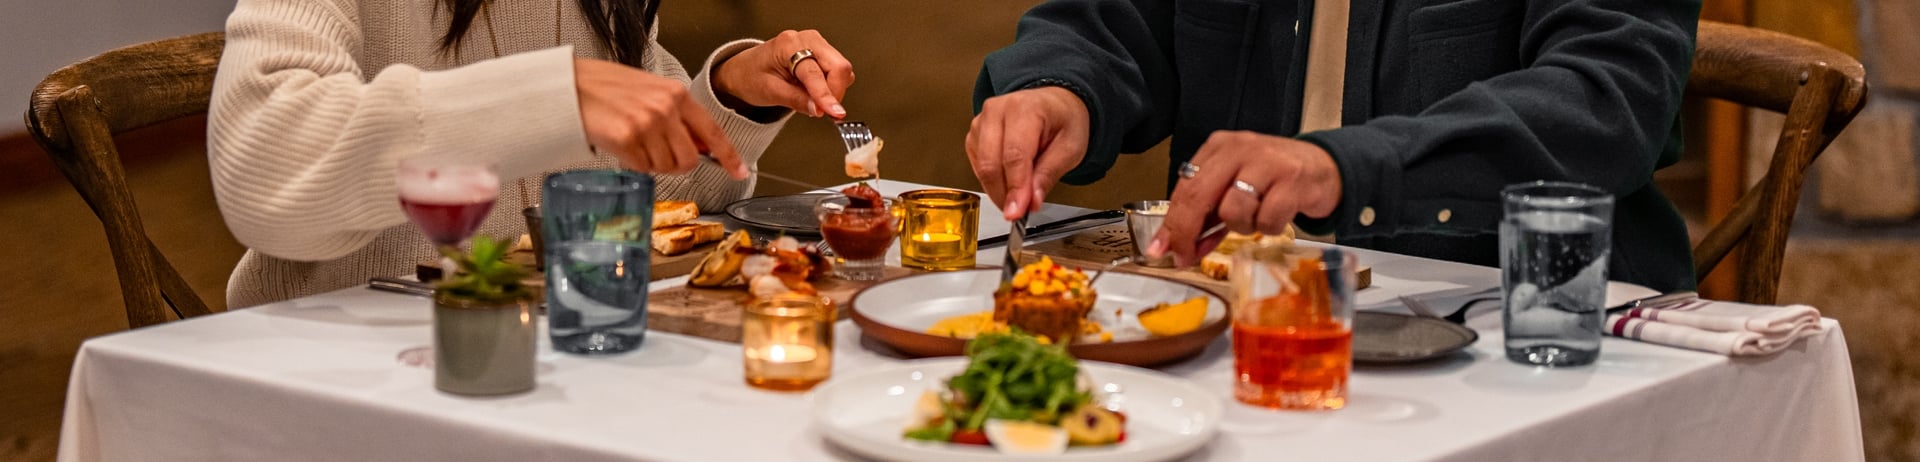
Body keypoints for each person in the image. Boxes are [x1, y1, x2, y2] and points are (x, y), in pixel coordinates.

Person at [966, 0, 1700, 292]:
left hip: (1523, 331)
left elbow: (1608, 98)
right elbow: (1111, 22)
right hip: (1229, 319)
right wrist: (1059, 88)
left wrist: (1343, 168)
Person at [210, 0, 855, 307]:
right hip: (338, 372)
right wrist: (553, 95)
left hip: (544, 355)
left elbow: (633, 212)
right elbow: (267, 172)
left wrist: (729, 99)